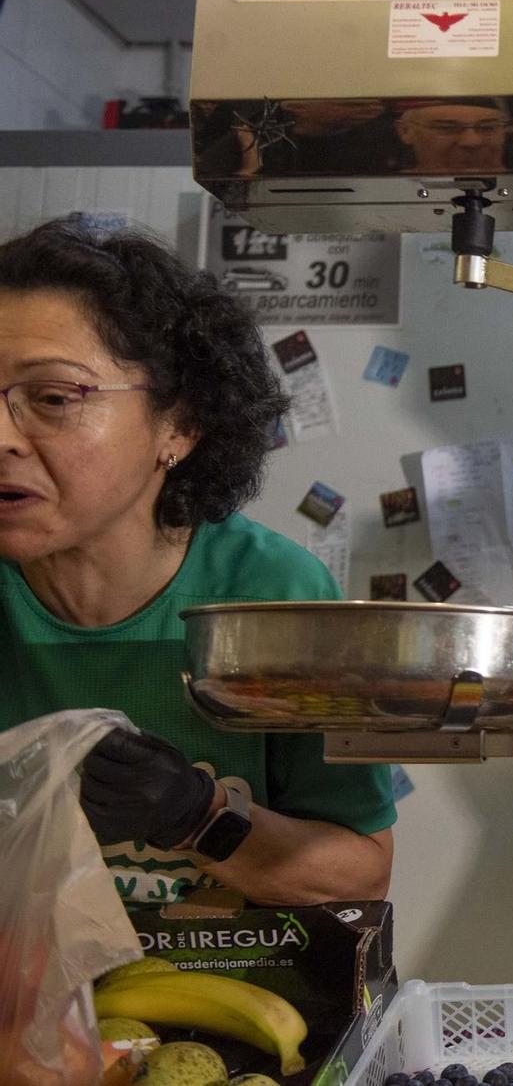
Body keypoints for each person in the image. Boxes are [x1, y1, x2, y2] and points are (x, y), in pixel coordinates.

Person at [0, 219, 396, 906]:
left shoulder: (274, 596)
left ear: (178, 425)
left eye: (54, 398)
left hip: (230, 990)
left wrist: (199, 816)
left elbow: (360, 871)